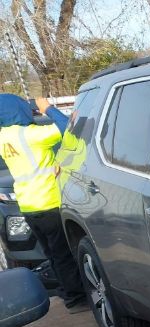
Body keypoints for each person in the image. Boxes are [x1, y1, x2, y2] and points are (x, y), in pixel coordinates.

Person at [0, 94, 84, 309]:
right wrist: (47, 108)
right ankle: (76, 298)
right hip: (48, 202)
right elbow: (67, 126)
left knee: (52, 253)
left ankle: (66, 291)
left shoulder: (4, 137)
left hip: (28, 205)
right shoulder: (31, 135)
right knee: (63, 254)